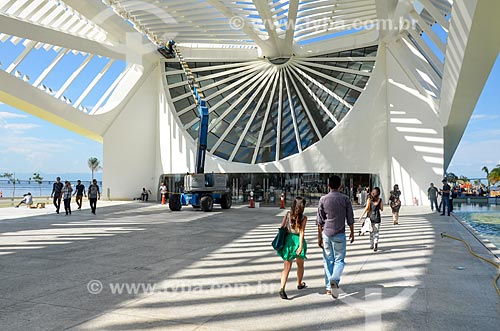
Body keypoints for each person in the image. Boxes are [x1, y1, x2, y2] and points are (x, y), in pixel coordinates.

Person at [317, 175, 355, 299]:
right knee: (339, 260)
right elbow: (350, 217)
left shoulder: (323, 199)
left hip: (326, 234)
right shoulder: (345, 199)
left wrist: (319, 237)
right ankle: (334, 280)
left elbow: (320, 220)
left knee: (328, 260)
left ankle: (329, 287)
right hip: (340, 233)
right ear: (340, 186)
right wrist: (352, 232)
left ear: (328, 185)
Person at [277, 197, 308, 300]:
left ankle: (282, 288)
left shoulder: (288, 214)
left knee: (286, 267)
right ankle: (299, 283)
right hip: (297, 241)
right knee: (300, 265)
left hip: (288, 241)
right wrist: (300, 246)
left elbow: (282, 226)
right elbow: (301, 232)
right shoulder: (304, 218)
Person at [359, 187, 384, 251]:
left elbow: (366, 208)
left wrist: (361, 216)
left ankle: (371, 244)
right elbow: (382, 209)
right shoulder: (380, 200)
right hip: (377, 218)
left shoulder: (369, 199)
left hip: (370, 218)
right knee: (376, 232)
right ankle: (376, 242)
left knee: (371, 232)